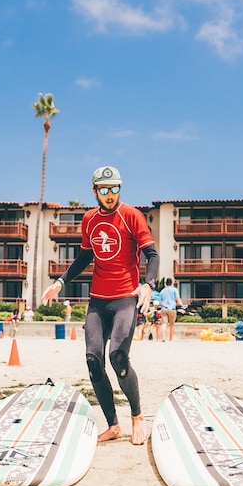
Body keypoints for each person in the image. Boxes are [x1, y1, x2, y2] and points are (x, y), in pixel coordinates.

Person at [41, 166, 159, 446]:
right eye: (104, 189)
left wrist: (149, 284)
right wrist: (60, 281)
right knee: (93, 361)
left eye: (115, 188)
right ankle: (113, 425)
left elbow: (151, 254)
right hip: (97, 300)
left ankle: (137, 416)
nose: (110, 194)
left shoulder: (131, 216)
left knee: (118, 356)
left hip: (124, 299)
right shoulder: (89, 220)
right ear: (94, 191)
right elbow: (84, 257)